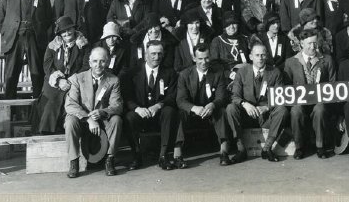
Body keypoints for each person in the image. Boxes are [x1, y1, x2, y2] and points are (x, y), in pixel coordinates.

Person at [0, 0, 54, 98]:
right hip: (14, 40)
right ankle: (10, 113)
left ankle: (37, 114)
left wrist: (44, 36)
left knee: (37, 75)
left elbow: (49, 19)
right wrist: (9, 34)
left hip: (36, 40)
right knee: (10, 77)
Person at [225, 42, 290, 163]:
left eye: (263, 55)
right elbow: (235, 96)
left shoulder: (275, 72)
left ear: (267, 56)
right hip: (247, 116)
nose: (260, 58)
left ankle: (267, 148)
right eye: (257, 55)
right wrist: (245, 104)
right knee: (230, 108)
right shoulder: (242, 72)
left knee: (282, 110)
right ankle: (241, 149)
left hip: (265, 117)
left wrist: (266, 107)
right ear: (251, 56)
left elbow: (280, 97)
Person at [63, 46, 122, 177]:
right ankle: (74, 162)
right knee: (70, 121)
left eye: (102, 61)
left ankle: (110, 159)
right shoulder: (77, 78)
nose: (98, 65)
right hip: (83, 119)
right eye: (95, 61)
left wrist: (102, 112)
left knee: (116, 120)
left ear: (107, 62)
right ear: (90, 63)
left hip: (102, 119)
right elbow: (70, 105)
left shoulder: (113, 80)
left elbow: (117, 105)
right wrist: (88, 119)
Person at [121, 39, 180, 170]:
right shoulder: (133, 73)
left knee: (169, 111)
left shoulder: (169, 73)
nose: (156, 57)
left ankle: (163, 156)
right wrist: (137, 109)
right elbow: (127, 97)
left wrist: (159, 105)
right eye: (153, 54)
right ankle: (136, 156)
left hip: (159, 115)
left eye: (159, 54)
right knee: (129, 117)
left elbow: (172, 95)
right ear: (146, 55)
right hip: (140, 114)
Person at [283, 29, 338, 159]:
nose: (312, 46)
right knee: (296, 110)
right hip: (300, 101)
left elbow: (333, 83)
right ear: (301, 43)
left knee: (320, 109)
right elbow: (286, 86)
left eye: (314, 43)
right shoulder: (291, 62)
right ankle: (299, 147)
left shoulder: (327, 60)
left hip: (320, 101)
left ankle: (320, 146)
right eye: (309, 43)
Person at [175, 44, 231, 167]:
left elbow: (221, 97)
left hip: (211, 112)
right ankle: (177, 154)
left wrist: (212, 105)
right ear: (194, 58)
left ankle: (224, 152)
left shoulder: (218, 73)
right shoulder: (184, 75)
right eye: (200, 59)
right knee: (180, 113)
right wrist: (194, 108)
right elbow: (181, 100)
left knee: (221, 111)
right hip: (193, 112)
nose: (204, 62)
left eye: (206, 58)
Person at [35, 16, 90, 134]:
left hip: (76, 81)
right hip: (55, 80)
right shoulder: (53, 45)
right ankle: (46, 131)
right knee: (49, 101)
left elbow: (86, 66)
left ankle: (66, 129)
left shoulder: (83, 44)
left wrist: (71, 81)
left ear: (74, 29)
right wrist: (59, 80)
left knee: (70, 100)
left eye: (69, 29)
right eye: (63, 31)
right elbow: (47, 65)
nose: (67, 33)